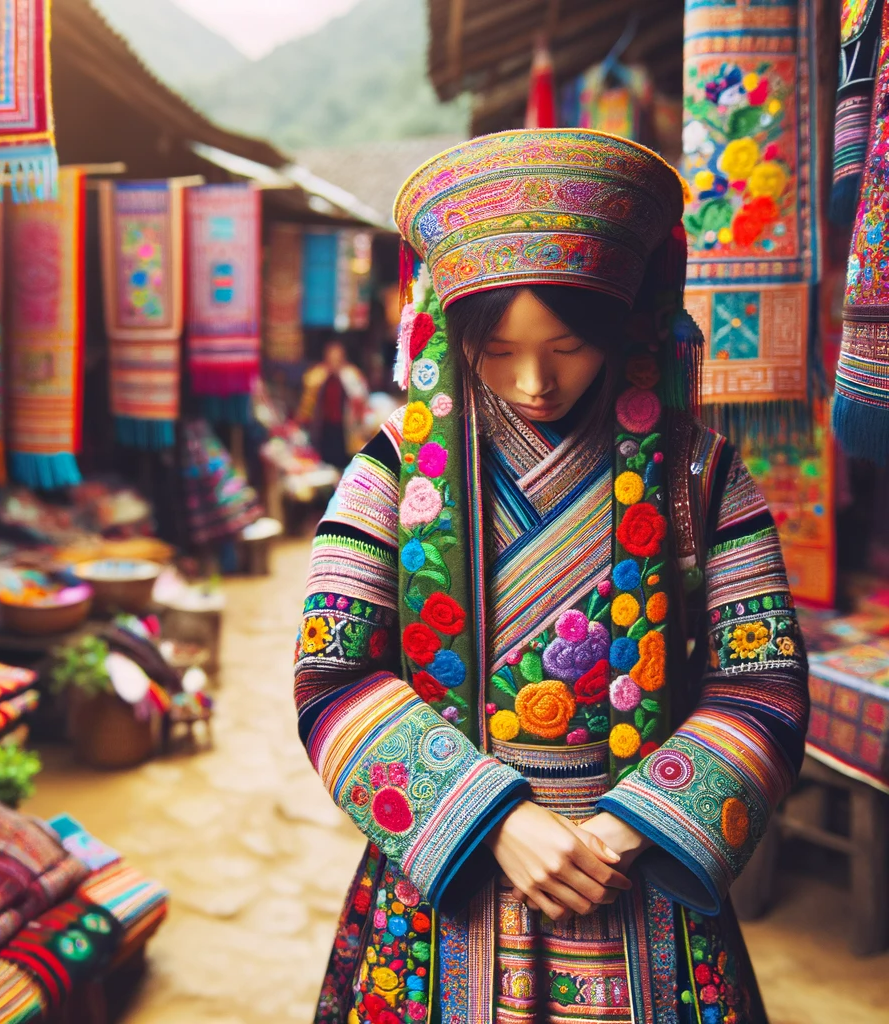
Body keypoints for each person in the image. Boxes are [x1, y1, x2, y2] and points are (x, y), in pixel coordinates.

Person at [294, 131, 808, 1024]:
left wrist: (632, 825)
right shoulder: (388, 475)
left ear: (625, 324)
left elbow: (762, 677)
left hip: (634, 864)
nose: (536, 382)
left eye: (569, 345)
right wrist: (494, 820)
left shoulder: (699, 475)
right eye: (497, 353)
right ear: (455, 338)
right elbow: (331, 674)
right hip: (454, 862)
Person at [298, 339, 370, 468]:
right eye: (331, 358)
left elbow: (361, 401)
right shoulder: (317, 376)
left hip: (345, 430)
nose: (334, 362)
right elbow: (308, 404)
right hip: (324, 429)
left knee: (344, 462)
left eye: (337, 358)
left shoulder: (351, 376)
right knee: (324, 463)